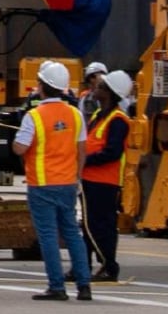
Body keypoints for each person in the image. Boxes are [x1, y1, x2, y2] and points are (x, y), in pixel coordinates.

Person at [13, 60, 92, 301]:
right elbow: (81, 151)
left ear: (42, 86)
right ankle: (84, 285)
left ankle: (57, 286)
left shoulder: (33, 116)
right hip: (68, 183)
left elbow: (19, 148)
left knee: (48, 235)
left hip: (42, 184)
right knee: (72, 233)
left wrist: (17, 140)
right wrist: (76, 176)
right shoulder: (76, 114)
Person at [82, 68, 132, 284]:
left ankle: (109, 266)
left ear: (110, 93)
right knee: (86, 226)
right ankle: (83, 267)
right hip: (89, 181)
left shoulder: (118, 120)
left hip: (105, 182)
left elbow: (113, 152)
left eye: (101, 87)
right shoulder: (97, 115)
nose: (96, 89)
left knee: (101, 226)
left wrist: (85, 160)